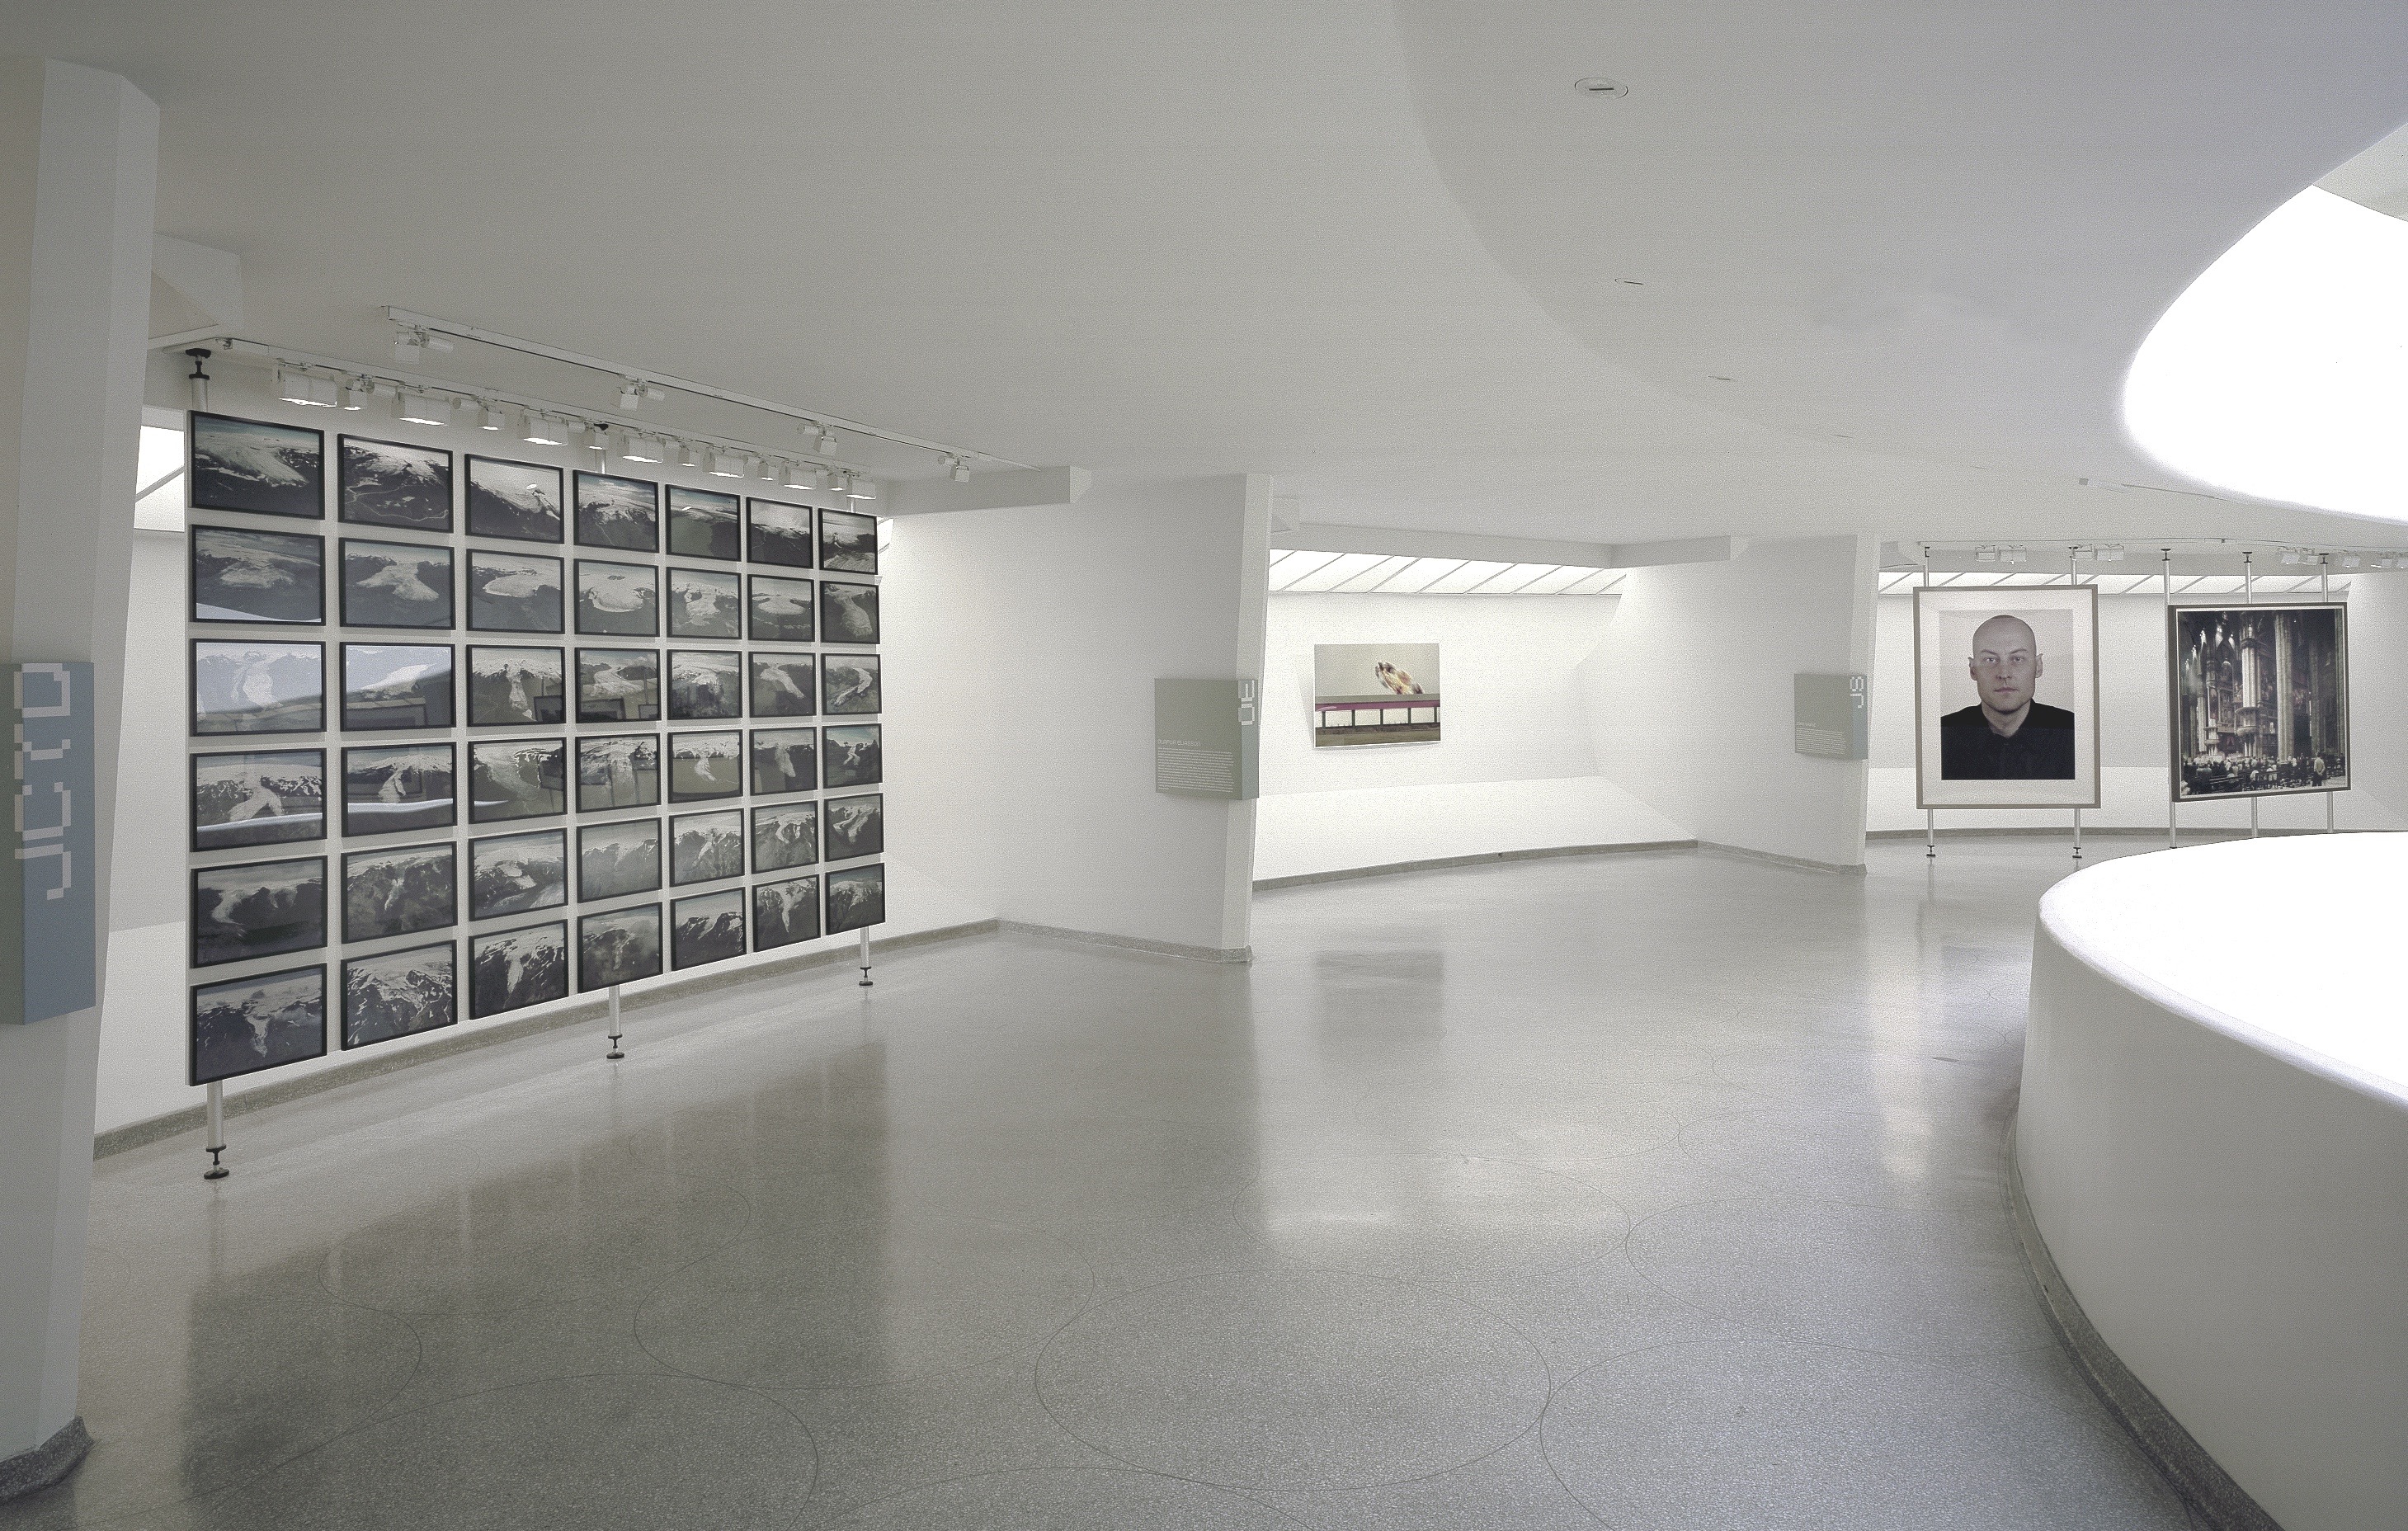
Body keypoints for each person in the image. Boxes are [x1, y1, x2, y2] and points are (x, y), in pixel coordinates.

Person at [1939, 614, 2075, 779]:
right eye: (1990, 660)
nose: (2004, 674)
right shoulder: (1940, 736)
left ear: (2038, 667)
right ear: (1973, 670)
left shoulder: (2075, 733)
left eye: (2017, 659)